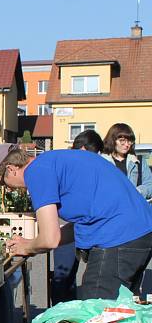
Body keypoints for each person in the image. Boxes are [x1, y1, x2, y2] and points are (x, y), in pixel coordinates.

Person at [0, 144, 152, 300]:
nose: (7, 189)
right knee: (120, 313)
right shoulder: (52, 161)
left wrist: (26, 246)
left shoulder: (36, 172)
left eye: (2, 183)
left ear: (11, 169)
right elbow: (75, 226)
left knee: (97, 313)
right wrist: (32, 243)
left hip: (117, 237)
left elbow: (49, 239)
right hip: (141, 232)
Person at [50, 130, 104, 304]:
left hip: (85, 226)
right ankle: (59, 317)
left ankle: (71, 314)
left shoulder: (85, 166)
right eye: (94, 154)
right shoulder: (65, 165)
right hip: (66, 226)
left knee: (72, 276)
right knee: (62, 276)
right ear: (83, 150)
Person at [101, 123, 152, 199]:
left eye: (129, 141)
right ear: (112, 140)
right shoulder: (102, 162)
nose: (127, 144)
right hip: (111, 208)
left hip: (133, 208)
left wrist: (137, 191)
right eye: (122, 141)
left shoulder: (138, 161)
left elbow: (150, 185)